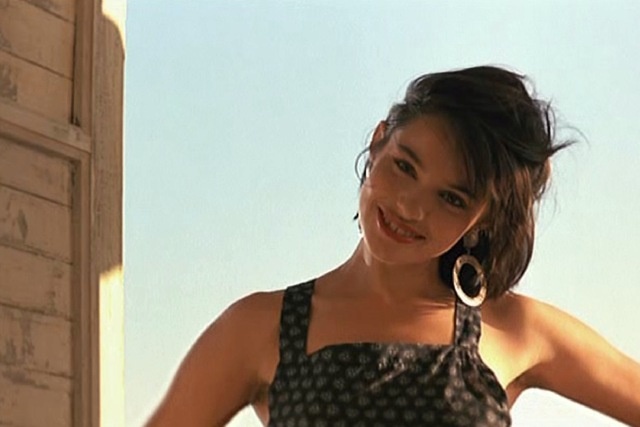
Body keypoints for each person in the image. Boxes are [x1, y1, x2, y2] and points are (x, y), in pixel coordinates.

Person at [145, 66, 640, 426]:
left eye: (451, 198)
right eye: (405, 166)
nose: (410, 207)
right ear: (379, 140)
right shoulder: (259, 326)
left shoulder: (515, 327)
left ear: (482, 220)